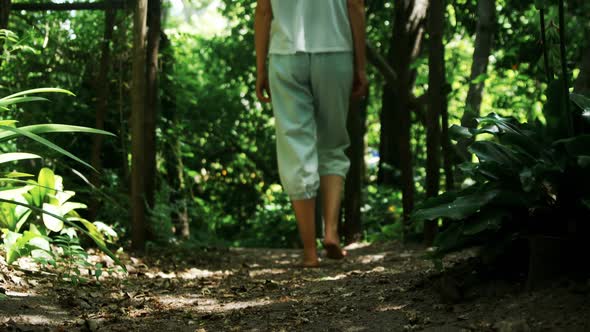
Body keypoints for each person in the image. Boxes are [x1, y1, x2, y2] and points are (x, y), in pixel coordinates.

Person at [254, 0, 368, 267]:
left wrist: (260, 69)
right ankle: (331, 232)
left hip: (285, 54)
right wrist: (360, 66)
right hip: (336, 50)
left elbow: (263, 11)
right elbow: (355, 6)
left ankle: (309, 251)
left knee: (295, 146)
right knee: (332, 144)